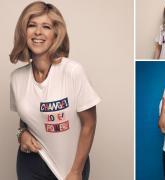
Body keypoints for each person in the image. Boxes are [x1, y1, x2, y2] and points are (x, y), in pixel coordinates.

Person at [10, 1, 101, 180]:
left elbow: (89, 124)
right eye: (32, 25)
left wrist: (76, 171)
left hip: (71, 165)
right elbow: (28, 118)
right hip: (31, 163)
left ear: (56, 34)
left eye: (46, 26)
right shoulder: (16, 78)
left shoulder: (73, 71)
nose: (38, 32)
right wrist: (21, 134)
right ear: (24, 31)